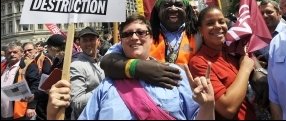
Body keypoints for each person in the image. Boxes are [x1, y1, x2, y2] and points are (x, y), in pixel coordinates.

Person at [49, 15, 215, 120]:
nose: (134, 37)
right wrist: (53, 115)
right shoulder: (106, 86)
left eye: (141, 32)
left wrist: (208, 106)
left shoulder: (176, 73)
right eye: (127, 34)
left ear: (152, 39)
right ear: (121, 42)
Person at [101, 0, 199, 88]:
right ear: (158, 10)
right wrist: (139, 68)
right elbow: (107, 61)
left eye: (178, 5)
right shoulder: (144, 34)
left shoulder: (199, 34)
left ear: (186, 10)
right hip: (151, 94)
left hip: (191, 95)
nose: (173, 8)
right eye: (167, 5)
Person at [189, 6, 257, 120]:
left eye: (221, 21)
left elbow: (251, 60)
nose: (217, 26)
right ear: (201, 30)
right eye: (210, 23)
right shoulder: (199, 62)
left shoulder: (233, 48)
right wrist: (245, 69)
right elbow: (228, 109)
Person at [70, 27, 105, 119]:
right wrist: (105, 88)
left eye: (92, 40)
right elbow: (76, 102)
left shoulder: (104, 61)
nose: (88, 43)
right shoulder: (76, 65)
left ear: (98, 41)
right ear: (79, 43)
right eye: (85, 40)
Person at [1, 42, 40, 120]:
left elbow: (35, 86)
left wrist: (31, 106)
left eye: (15, 52)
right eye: (9, 53)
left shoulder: (28, 66)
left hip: (20, 111)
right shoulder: (3, 67)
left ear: (22, 53)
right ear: (5, 55)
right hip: (4, 111)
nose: (12, 54)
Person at [255, 0, 286, 64]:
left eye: (269, 12)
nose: (265, 16)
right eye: (261, 13)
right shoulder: (256, 36)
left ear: (279, 13)